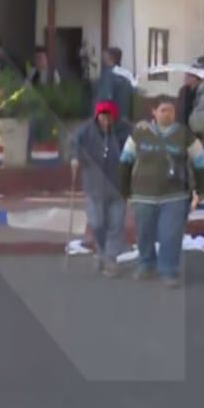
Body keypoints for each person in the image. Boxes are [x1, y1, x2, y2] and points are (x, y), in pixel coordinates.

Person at [118, 97, 204, 288]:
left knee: (171, 234)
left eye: (171, 110)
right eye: (163, 110)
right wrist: (124, 190)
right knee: (144, 233)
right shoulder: (140, 133)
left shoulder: (184, 134)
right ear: (154, 112)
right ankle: (146, 264)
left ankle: (168, 270)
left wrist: (202, 189)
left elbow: (200, 161)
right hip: (143, 194)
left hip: (176, 195)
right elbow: (125, 160)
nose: (167, 114)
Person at [71, 100, 133, 277]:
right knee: (97, 222)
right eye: (102, 118)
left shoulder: (124, 130)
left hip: (118, 186)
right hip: (94, 186)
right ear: (97, 116)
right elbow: (74, 145)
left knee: (115, 223)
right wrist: (75, 158)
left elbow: (135, 147)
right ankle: (101, 251)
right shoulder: (86, 131)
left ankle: (111, 259)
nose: (106, 122)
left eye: (109, 118)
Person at [95, 47, 136, 123]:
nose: (102, 59)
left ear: (110, 58)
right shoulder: (127, 73)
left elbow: (104, 97)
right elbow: (134, 90)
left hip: (109, 117)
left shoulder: (108, 75)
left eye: (104, 56)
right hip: (124, 116)